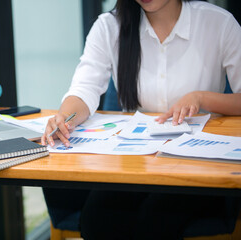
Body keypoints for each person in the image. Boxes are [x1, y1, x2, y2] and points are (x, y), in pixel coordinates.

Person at [41, 0, 241, 239]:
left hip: (198, 166)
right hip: (134, 164)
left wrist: (201, 98)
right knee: (96, 219)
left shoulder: (218, 22)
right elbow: (84, 89)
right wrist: (65, 116)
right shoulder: (109, 26)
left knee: (154, 221)